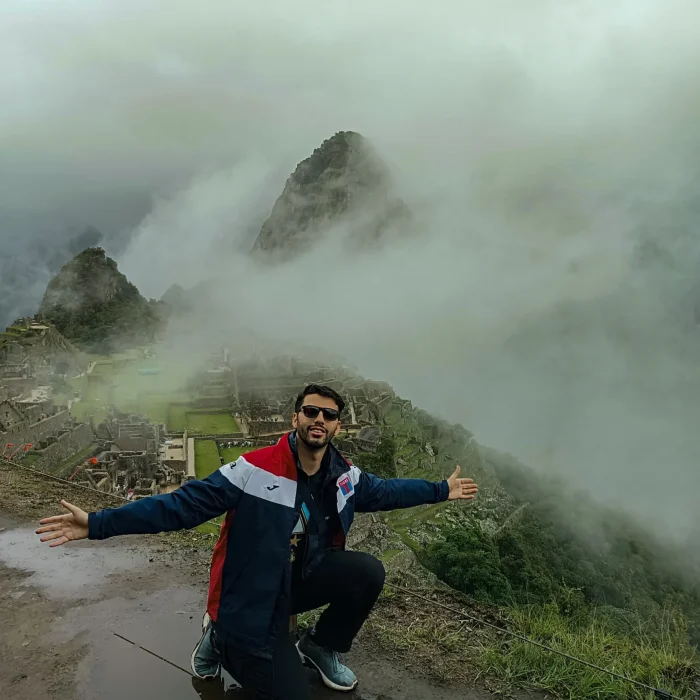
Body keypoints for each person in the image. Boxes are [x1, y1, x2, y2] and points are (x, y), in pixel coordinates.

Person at [37, 384, 478, 699]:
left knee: (367, 572)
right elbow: (180, 507)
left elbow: (387, 492)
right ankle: (218, 635)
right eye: (310, 412)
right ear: (296, 418)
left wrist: (441, 489)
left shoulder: (344, 474)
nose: (318, 420)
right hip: (248, 600)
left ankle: (320, 646)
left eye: (328, 415)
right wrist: (97, 523)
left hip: (296, 580)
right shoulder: (253, 470)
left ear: (338, 426)